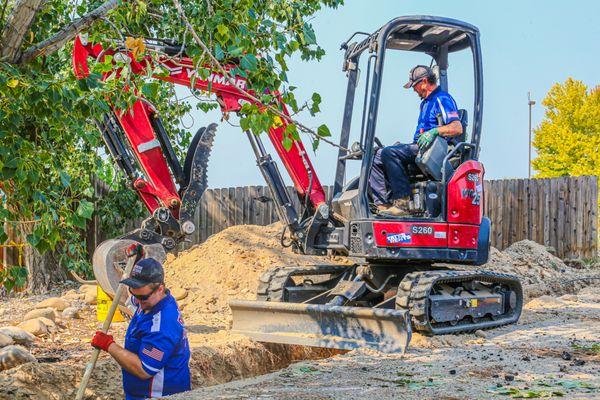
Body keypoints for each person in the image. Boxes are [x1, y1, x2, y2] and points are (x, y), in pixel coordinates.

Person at [370, 65, 464, 216]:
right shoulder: (425, 103)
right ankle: (383, 205)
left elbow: (457, 127)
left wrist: (435, 131)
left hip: (434, 152)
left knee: (389, 153)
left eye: (415, 86)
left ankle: (402, 203)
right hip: (420, 147)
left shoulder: (442, 99)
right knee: (377, 156)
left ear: (425, 82)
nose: (414, 90)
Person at [91, 258, 191, 400]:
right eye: (135, 295)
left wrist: (108, 345)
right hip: (138, 394)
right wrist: (135, 261)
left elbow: (144, 369)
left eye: (142, 297)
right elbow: (128, 295)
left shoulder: (162, 326)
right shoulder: (150, 300)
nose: (136, 302)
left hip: (157, 396)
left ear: (160, 289)